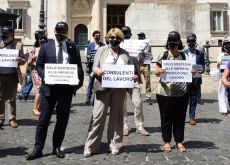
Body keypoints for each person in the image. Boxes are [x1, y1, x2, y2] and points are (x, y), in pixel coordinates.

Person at [25, 22, 84, 160]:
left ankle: (56, 146)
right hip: (49, 89)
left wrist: (78, 82)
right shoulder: (46, 46)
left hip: (66, 90)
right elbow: (39, 66)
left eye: (63, 30)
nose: (60, 32)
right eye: (58, 30)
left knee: (62, 120)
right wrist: (46, 76)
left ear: (67, 32)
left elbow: (79, 67)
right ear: (54, 30)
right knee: (43, 120)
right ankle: (38, 148)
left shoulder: (72, 47)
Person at [84, 28, 135, 158]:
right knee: (97, 116)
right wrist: (98, 71)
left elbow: (129, 72)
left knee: (117, 117)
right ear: (107, 38)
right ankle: (91, 146)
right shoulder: (101, 50)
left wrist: (132, 77)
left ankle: (115, 144)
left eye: (117, 38)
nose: (114, 39)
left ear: (121, 39)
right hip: (102, 88)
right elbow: (94, 66)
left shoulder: (125, 54)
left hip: (119, 90)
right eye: (111, 37)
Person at [155, 31, 189, 153]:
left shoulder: (184, 56)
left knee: (180, 117)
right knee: (166, 116)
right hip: (165, 92)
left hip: (181, 92)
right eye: (170, 40)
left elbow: (188, 70)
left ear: (179, 42)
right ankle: (167, 141)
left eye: (175, 40)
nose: (172, 42)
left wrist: (194, 72)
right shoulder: (163, 55)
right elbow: (156, 69)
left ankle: (179, 141)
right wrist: (159, 71)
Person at [121, 26, 149, 136]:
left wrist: (142, 55)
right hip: (121, 78)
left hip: (134, 78)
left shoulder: (135, 46)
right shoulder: (117, 46)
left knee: (137, 103)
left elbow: (140, 62)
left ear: (130, 34)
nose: (126, 35)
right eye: (124, 33)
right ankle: (124, 125)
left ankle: (139, 126)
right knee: (122, 104)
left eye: (127, 33)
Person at [0, 26, 26, 128]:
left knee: (11, 98)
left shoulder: (18, 45)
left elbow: (24, 60)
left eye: (6, 35)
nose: (4, 36)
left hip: (12, 75)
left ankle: (12, 118)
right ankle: (1, 118)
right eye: (3, 34)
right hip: (0, 75)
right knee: (0, 98)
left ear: (11, 34)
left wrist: (20, 59)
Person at [184, 33, 205, 125]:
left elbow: (203, 65)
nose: (191, 43)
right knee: (183, 99)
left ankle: (192, 117)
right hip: (185, 79)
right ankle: (181, 117)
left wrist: (202, 70)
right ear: (187, 42)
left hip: (196, 78)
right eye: (190, 41)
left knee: (193, 98)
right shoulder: (183, 54)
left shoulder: (200, 53)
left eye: (193, 41)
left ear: (195, 42)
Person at [28, 30, 48, 116]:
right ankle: (35, 108)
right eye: (41, 42)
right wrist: (32, 59)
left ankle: (39, 106)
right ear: (39, 42)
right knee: (40, 89)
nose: (42, 43)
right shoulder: (34, 49)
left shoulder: (48, 50)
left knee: (43, 89)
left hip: (45, 71)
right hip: (36, 71)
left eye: (44, 42)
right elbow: (28, 63)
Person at [85, 30, 104, 105]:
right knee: (91, 82)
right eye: (96, 35)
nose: (97, 37)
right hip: (91, 67)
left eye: (98, 35)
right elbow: (87, 55)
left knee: (99, 83)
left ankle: (95, 98)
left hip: (100, 67)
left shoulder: (103, 45)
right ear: (93, 36)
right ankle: (88, 97)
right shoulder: (90, 45)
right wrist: (88, 56)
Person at [138, 32, 153, 105]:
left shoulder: (148, 46)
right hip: (138, 65)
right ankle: (137, 96)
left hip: (146, 65)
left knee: (147, 81)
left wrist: (150, 57)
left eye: (141, 37)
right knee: (136, 82)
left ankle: (148, 97)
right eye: (139, 37)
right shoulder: (136, 45)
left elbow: (150, 55)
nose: (140, 38)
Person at [217, 40, 230, 115]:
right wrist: (219, 64)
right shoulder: (220, 55)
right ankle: (223, 109)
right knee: (222, 92)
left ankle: (229, 108)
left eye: (228, 44)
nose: (227, 46)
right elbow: (218, 66)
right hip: (223, 75)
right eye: (225, 44)